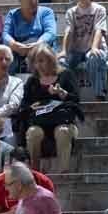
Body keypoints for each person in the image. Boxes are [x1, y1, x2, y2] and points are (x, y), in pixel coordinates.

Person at [13, 42, 79, 173]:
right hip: (40, 122)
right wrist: (32, 107)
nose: (38, 65)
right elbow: (24, 105)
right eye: (35, 62)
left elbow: (76, 101)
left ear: (50, 60)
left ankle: (63, 173)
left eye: (41, 61)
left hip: (63, 121)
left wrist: (63, 94)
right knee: (33, 133)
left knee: (62, 132)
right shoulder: (32, 81)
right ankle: (35, 174)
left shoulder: (66, 75)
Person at [59, 0, 107, 102]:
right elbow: (68, 31)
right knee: (62, 62)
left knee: (94, 57)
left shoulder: (99, 9)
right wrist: (64, 51)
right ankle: (65, 95)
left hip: (95, 47)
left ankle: (99, 94)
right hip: (76, 49)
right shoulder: (71, 12)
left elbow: (99, 30)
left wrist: (94, 48)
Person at [1, 0, 56, 76]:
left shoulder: (46, 12)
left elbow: (50, 33)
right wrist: (14, 45)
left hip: (41, 49)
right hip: (18, 52)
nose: (33, 1)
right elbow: (6, 34)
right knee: (6, 57)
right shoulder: (13, 14)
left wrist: (37, 45)